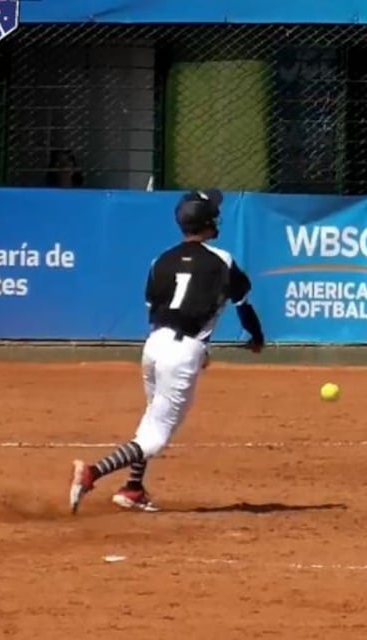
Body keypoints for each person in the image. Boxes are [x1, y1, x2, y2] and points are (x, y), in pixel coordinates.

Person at [68, 188, 266, 514]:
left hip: (155, 345)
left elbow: (154, 307)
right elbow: (243, 305)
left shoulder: (160, 260)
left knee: (150, 417)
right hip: (181, 352)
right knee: (155, 437)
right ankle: (92, 473)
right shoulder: (223, 261)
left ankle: (132, 489)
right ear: (208, 221)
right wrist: (256, 337)